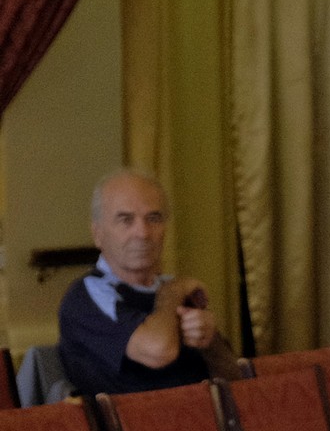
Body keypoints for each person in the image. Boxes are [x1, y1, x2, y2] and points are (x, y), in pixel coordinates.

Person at [57, 169, 239, 396]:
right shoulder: (85, 296)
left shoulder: (173, 289)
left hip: (202, 411)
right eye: (126, 220)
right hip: (133, 417)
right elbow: (159, 351)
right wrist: (173, 291)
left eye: (153, 219)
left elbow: (235, 378)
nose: (143, 233)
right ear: (98, 234)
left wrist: (209, 341)